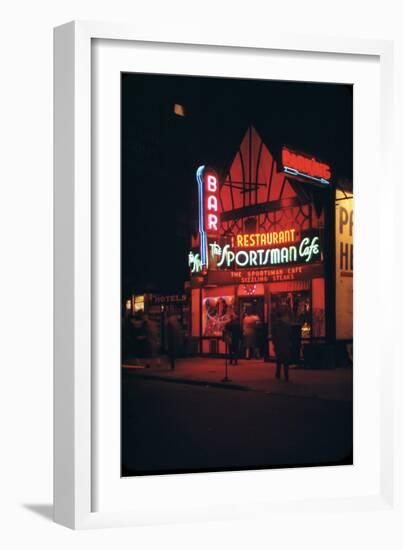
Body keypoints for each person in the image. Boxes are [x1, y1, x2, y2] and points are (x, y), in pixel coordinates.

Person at [271, 310, 293, 382]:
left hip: (279, 344)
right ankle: (286, 376)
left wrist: (274, 344)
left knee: (279, 360)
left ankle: (278, 374)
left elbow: (274, 336)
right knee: (285, 361)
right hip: (285, 344)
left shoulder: (275, 325)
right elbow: (290, 334)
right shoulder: (286, 325)